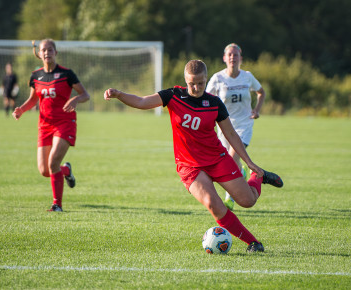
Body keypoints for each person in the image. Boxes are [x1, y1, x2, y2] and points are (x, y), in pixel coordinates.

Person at [104, 59, 283, 252]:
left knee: (248, 201)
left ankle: (258, 177)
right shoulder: (173, 96)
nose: (196, 87)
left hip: (217, 159)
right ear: (185, 80)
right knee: (212, 203)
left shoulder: (214, 103)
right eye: (192, 83)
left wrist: (249, 163)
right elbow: (141, 101)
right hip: (189, 166)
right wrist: (119, 94)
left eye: (200, 83)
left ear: (206, 80)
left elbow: (231, 134)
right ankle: (253, 243)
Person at [12, 39, 90, 212]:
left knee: (53, 161)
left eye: (50, 50)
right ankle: (66, 171)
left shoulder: (67, 74)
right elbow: (33, 99)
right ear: (39, 54)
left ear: (56, 53)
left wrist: (76, 99)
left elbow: (85, 95)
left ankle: (57, 205)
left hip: (65, 123)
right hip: (44, 126)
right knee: (44, 170)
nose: (47, 53)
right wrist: (21, 110)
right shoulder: (35, 76)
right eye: (44, 50)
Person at [206, 43, 266, 211]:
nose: (233, 57)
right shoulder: (218, 78)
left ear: (241, 58)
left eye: (236, 55)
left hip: (244, 125)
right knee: (228, 161)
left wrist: (257, 110)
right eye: (230, 55)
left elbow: (261, 92)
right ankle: (242, 173)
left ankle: (229, 198)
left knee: (232, 158)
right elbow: (207, 98)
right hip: (225, 126)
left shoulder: (247, 77)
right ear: (224, 58)